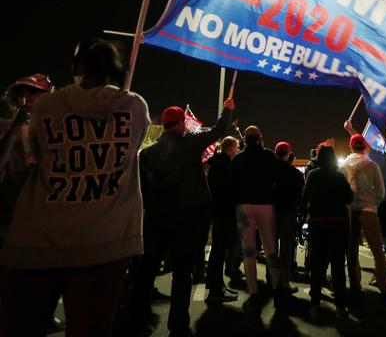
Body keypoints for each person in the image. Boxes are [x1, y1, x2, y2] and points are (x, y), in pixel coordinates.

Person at [0, 39, 150, 337]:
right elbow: (132, 148)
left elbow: (38, 156)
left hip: (42, 236)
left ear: (78, 67)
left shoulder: (47, 106)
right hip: (107, 241)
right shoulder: (135, 106)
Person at [133, 98, 234, 336]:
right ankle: (178, 323)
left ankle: (138, 314)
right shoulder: (189, 144)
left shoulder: (146, 154)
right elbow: (219, 130)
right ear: (179, 124)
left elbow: (140, 190)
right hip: (186, 219)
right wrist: (227, 110)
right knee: (181, 273)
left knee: (146, 270)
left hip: (155, 219)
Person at [0, 74, 65, 334]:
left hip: (45, 224)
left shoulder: (54, 132)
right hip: (9, 223)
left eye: (44, 95)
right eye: (32, 94)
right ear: (18, 98)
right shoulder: (5, 127)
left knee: (42, 286)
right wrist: (15, 128)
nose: (38, 101)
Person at [344, 120, 386, 286]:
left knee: (373, 243)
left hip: (382, 206)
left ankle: (358, 282)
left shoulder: (381, 159)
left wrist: (351, 129)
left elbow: (364, 145)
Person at [229, 125, 284, 312]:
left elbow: (232, 184)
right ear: (260, 137)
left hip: (245, 205)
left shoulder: (237, 158)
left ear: (244, 138)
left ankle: (253, 293)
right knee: (271, 250)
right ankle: (277, 290)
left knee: (249, 251)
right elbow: (279, 179)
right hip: (266, 205)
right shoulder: (270, 156)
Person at [341, 134, 386, 302]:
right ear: (364, 146)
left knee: (352, 250)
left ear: (350, 147)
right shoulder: (372, 164)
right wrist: (374, 203)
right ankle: (384, 287)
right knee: (377, 250)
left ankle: (355, 287)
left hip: (350, 210)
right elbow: (380, 191)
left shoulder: (343, 165)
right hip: (368, 209)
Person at [303, 145, 354, 319]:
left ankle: (315, 304)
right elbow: (349, 198)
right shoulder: (339, 177)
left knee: (317, 265)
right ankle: (340, 306)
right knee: (338, 265)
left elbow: (305, 197)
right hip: (338, 224)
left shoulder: (312, 175)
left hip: (317, 224)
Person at [205, 136, 240, 303]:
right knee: (219, 250)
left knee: (217, 250)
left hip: (216, 210)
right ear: (231, 148)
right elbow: (230, 189)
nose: (238, 151)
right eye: (237, 147)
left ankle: (215, 284)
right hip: (224, 211)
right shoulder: (227, 164)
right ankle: (216, 289)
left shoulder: (215, 163)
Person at [273, 141, 304, 293]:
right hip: (288, 215)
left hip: (271, 215)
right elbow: (300, 196)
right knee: (285, 251)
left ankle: (271, 280)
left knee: (271, 250)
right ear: (288, 153)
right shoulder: (296, 174)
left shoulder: (269, 172)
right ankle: (284, 283)